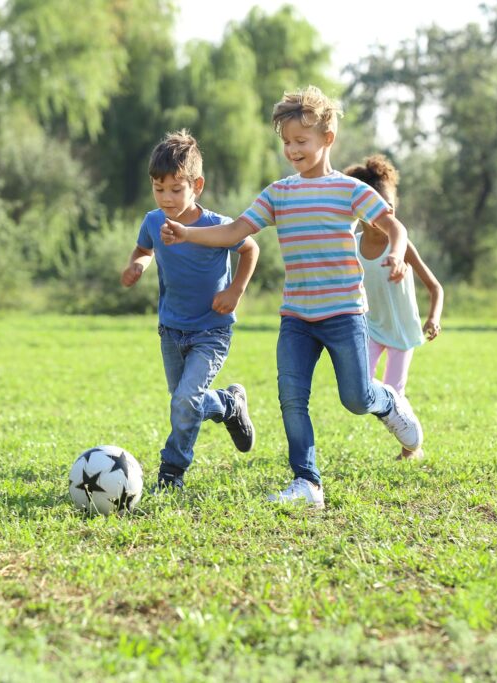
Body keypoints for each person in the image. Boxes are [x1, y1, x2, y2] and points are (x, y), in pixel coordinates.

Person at [161, 86, 423, 508]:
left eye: (301, 140)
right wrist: (188, 232)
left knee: (356, 398)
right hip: (297, 317)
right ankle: (308, 484)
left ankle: (389, 401)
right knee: (291, 399)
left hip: (343, 314)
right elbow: (235, 232)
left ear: (327, 139)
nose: (293, 149)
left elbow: (394, 227)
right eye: (286, 142)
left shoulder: (349, 191)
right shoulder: (279, 193)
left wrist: (395, 252)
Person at [121, 129, 260, 490]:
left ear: (197, 185)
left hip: (212, 330)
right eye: (158, 188)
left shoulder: (217, 226)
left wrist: (236, 290)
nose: (166, 198)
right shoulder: (153, 221)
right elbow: (144, 250)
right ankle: (230, 405)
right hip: (171, 328)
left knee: (186, 400)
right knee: (186, 402)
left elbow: (250, 250)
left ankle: (172, 470)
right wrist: (138, 265)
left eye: (175, 189)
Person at [344, 154, 443, 460]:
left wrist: (433, 319)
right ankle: (403, 429)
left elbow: (435, 287)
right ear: (358, 210)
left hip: (401, 331)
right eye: (376, 207)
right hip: (371, 328)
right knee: (359, 385)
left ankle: (410, 448)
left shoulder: (400, 243)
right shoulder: (352, 243)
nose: (385, 213)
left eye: (390, 206)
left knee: (394, 392)